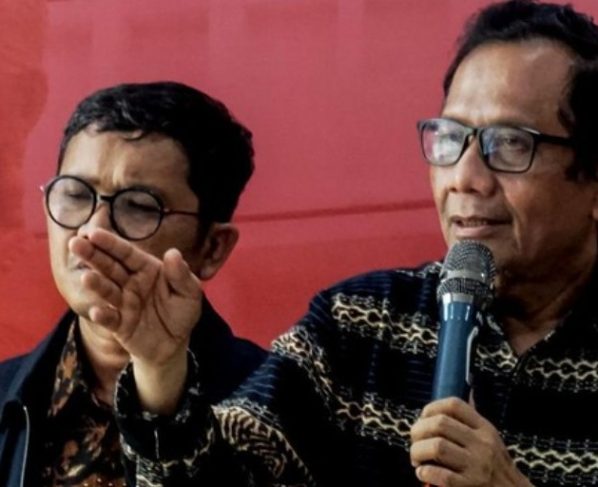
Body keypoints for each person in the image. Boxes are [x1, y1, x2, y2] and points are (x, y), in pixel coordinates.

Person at [104, 1, 598, 486]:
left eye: (509, 143)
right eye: (451, 139)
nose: (463, 178)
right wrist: (162, 373)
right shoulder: (360, 321)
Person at [0, 81, 267, 487]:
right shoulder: (8, 397)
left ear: (212, 248)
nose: (92, 231)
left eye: (138, 207)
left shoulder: (279, 405)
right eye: (75, 195)